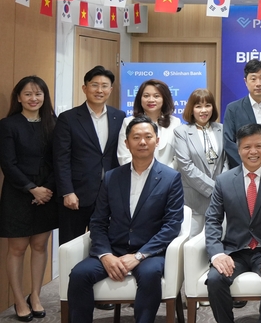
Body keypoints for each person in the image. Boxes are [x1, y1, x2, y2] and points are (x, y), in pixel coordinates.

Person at [67, 115, 184, 323]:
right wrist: (105, 255)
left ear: (157, 141)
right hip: (114, 249)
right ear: (126, 143)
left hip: (149, 252)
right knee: (79, 274)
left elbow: (172, 225)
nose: (142, 142)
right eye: (136, 137)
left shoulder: (170, 178)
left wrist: (139, 256)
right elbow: (98, 221)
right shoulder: (112, 177)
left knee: (150, 275)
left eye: (148, 137)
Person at [205, 123, 261, 323]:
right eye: (247, 147)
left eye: (258, 146)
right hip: (234, 250)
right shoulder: (224, 180)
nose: (253, 152)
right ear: (238, 150)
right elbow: (212, 220)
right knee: (214, 279)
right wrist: (218, 254)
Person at [0, 77, 58, 321]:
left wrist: (46, 189)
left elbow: (59, 160)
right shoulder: (8, 125)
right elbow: (8, 163)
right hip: (18, 193)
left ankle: (35, 295)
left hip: (48, 193)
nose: (34, 98)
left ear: (45, 97)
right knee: (17, 248)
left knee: (39, 246)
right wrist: (32, 189)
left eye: (39, 94)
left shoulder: (53, 123)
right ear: (19, 97)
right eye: (28, 94)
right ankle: (17, 298)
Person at [54, 65, 126, 245]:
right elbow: (61, 158)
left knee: (105, 245)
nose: (99, 90)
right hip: (77, 195)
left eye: (104, 85)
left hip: (109, 194)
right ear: (84, 88)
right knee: (71, 246)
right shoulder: (68, 118)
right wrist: (67, 192)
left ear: (110, 89)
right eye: (94, 85)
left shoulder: (120, 116)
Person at [173, 88, 228, 237]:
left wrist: (222, 187)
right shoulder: (181, 132)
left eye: (208, 105)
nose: (204, 110)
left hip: (220, 201)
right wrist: (215, 189)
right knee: (190, 245)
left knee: (218, 243)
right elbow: (186, 166)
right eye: (198, 106)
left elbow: (226, 161)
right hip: (193, 200)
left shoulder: (222, 129)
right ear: (191, 109)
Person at [118, 79, 181, 168]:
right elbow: (123, 156)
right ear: (140, 98)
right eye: (146, 96)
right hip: (136, 177)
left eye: (156, 96)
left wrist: (165, 175)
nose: (151, 100)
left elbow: (179, 157)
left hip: (167, 178)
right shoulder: (128, 122)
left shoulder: (175, 123)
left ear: (164, 99)